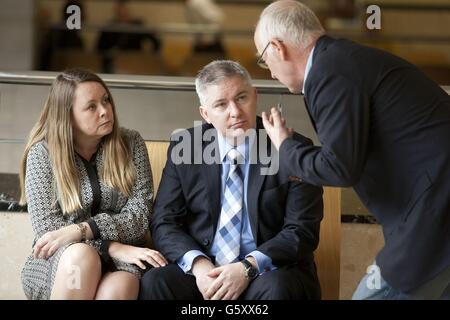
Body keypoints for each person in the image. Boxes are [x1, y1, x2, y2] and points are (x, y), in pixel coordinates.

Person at [254, 0, 450, 299]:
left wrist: (285, 146)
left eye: (265, 60)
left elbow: (340, 167)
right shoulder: (340, 61)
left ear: (278, 47)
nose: (270, 73)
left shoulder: (330, 71)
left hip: (436, 213)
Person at [139, 60, 323, 300]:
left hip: (267, 272)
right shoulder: (186, 148)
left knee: (278, 289)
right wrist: (199, 265)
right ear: (205, 114)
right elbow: (164, 221)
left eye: (242, 98)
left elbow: (302, 230)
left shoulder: (292, 148)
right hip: (206, 271)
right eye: (221, 104)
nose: (235, 112)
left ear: (255, 96)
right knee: (156, 282)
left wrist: (247, 268)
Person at [19, 68, 167, 300]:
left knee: (120, 288)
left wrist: (84, 230)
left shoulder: (131, 143)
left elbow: (139, 217)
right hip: (61, 261)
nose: (105, 111)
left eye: (106, 101)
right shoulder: (43, 153)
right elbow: (49, 231)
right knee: (82, 258)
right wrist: (109, 246)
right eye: (91, 106)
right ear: (67, 116)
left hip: (121, 261)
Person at [97, 0, 161, 73]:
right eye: (120, 10)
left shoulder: (137, 25)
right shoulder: (109, 28)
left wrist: (147, 57)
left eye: (124, 9)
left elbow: (156, 42)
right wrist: (110, 53)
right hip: (113, 65)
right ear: (116, 11)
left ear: (128, 10)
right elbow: (99, 49)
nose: (122, 13)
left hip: (135, 64)